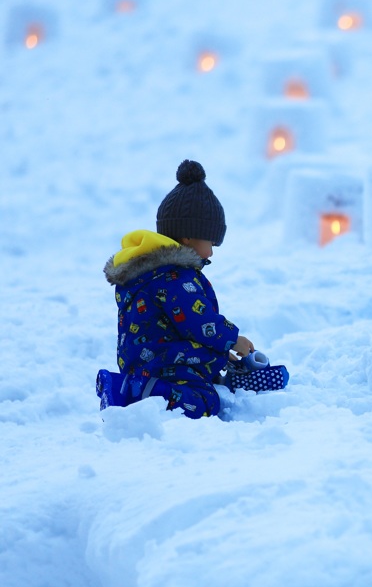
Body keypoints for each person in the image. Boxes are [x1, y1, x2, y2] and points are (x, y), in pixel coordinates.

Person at [97, 159, 254, 418]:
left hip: (149, 360)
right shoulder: (175, 278)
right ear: (188, 237)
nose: (213, 250)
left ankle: (138, 387)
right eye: (211, 241)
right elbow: (198, 322)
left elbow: (179, 328)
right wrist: (232, 339)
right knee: (205, 402)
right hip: (166, 364)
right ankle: (137, 393)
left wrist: (220, 356)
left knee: (208, 385)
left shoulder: (151, 273)